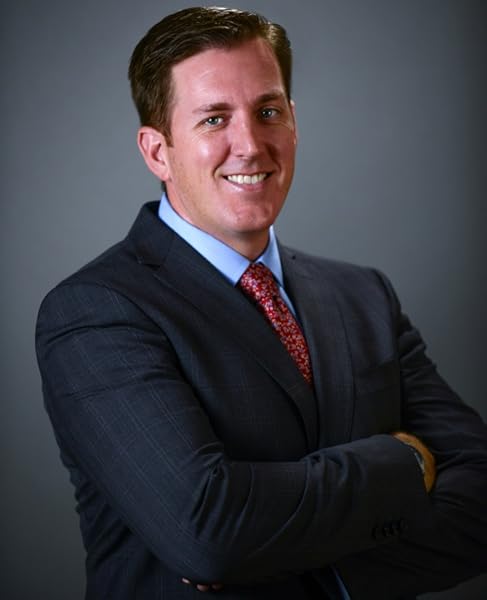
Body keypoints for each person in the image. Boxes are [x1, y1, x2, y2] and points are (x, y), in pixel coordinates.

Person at [35, 7, 487, 600]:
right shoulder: (95, 311)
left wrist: (322, 573)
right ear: (157, 151)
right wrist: (409, 461)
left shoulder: (364, 296)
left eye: (268, 112)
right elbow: (209, 533)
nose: (250, 145)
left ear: (294, 122)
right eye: (214, 119)